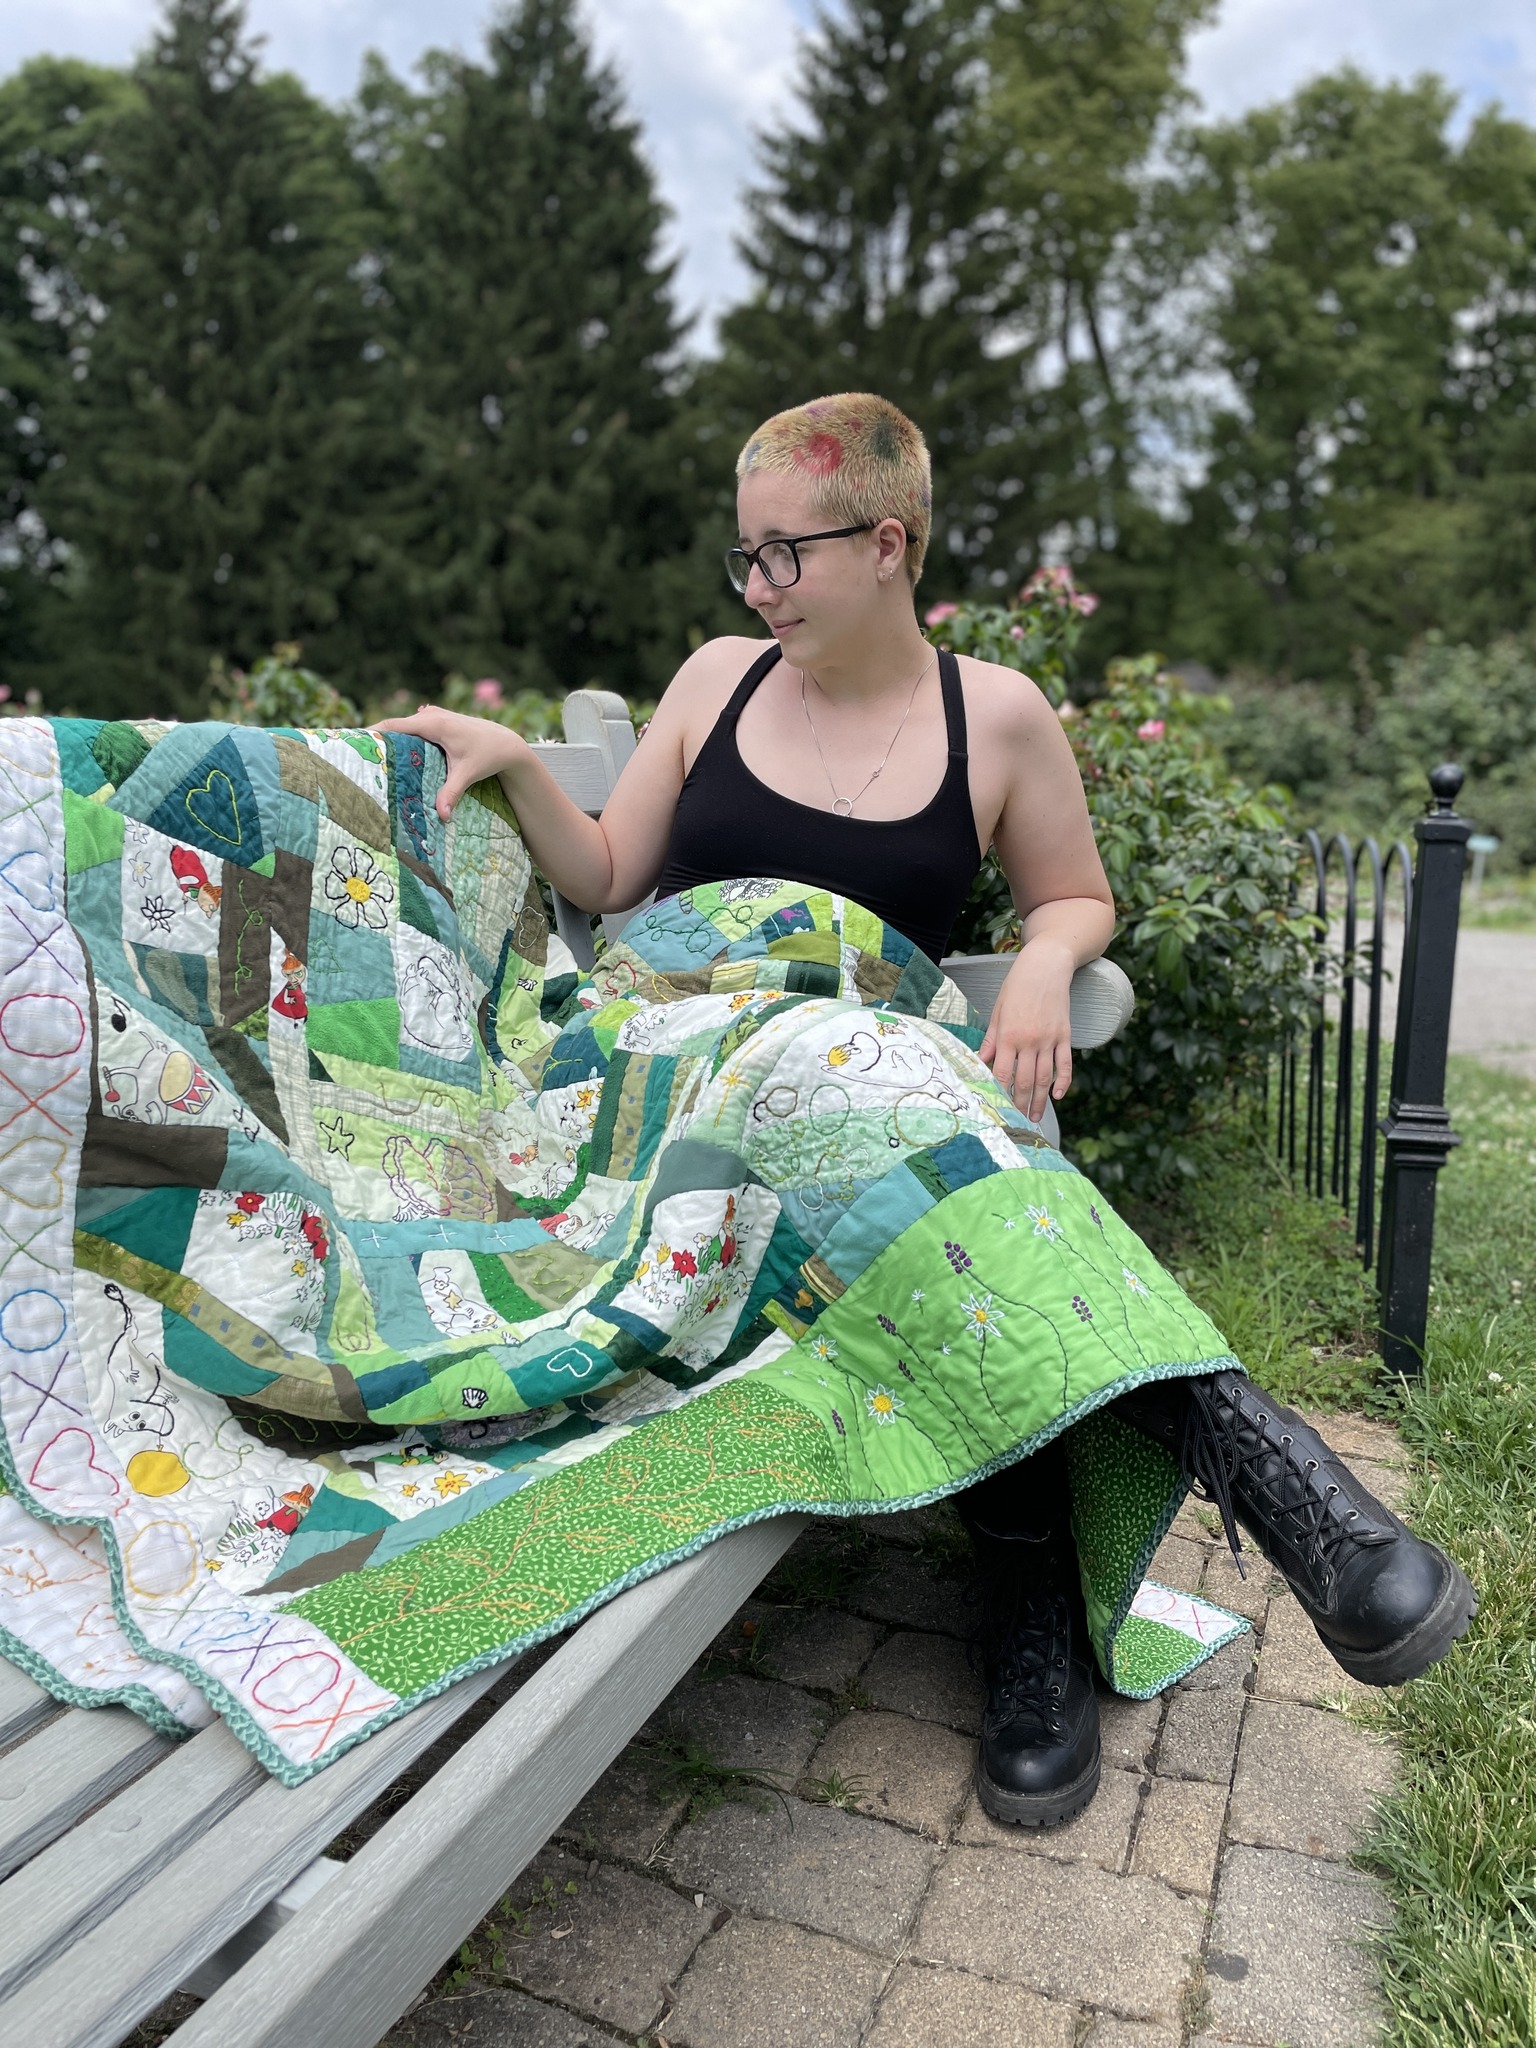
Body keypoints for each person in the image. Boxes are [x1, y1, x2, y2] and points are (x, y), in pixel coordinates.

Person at [381, 393, 1475, 1831]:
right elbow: (605, 877)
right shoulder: (715, 682)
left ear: (888, 544)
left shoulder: (996, 717)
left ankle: (1033, 1576)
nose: (758, 586)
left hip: (873, 1087)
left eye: (786, 554)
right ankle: (1271, 1490)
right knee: (910, 1113)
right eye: (746, 556)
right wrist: (522, 762)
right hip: (676, 1072)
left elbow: (1075, 895)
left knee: (937, 1150)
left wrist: (1044, 961)